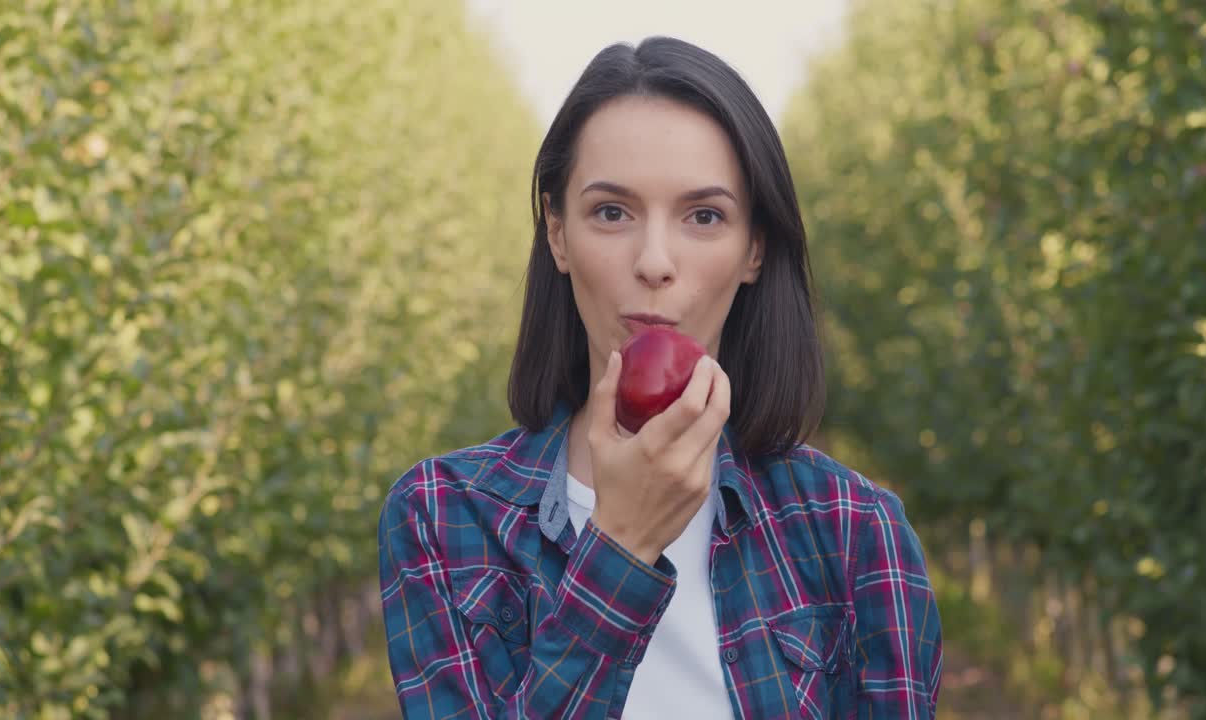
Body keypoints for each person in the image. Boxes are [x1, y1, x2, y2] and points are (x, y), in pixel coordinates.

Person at [378, 35, 942, 719]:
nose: (654, 261)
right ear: (558, 234)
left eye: (704, 216)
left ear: (754, 249)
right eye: (611, 212)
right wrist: (620, 548)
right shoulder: (445, 517)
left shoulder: (853, 531)